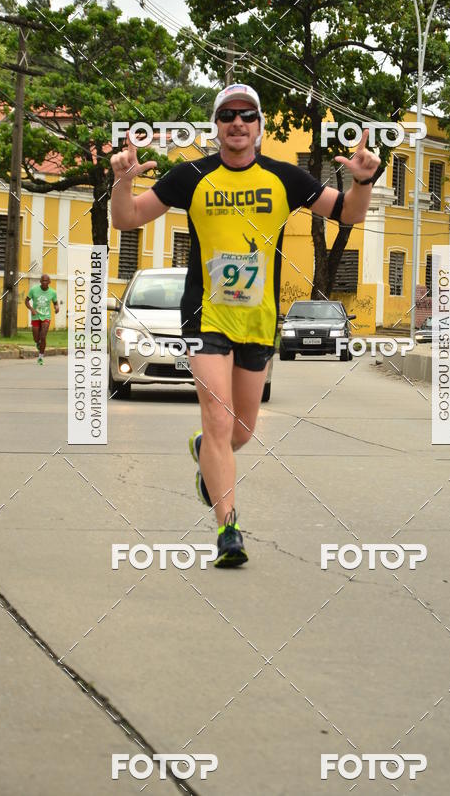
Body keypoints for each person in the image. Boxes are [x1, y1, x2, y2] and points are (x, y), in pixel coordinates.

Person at [110, 83, 381, 567]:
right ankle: (227, 530)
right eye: (228, 114)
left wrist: (363, 182)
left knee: (240, 432)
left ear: (258, 126)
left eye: (248, 114)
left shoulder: (286, 178)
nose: (238, 122)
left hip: (257, 319)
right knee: (217, 421)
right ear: (216, 126)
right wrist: (123, 181)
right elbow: (127, 219)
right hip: (205, 315)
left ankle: (206, 458)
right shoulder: (189, 176)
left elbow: (349, 213)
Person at [25, 274, 59, 364]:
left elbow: (55, 303)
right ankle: (37, 343)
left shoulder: (52, 292)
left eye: (46, 281)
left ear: (49, 282)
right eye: (43, 281)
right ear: (40, 281)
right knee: (36, 338)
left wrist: (56, 308)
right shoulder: (34, 290)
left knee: (43, 336)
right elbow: (26, 300)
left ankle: (40, 357)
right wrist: (31, 309)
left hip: (46, 316)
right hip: (36, 316)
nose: (44, 282)